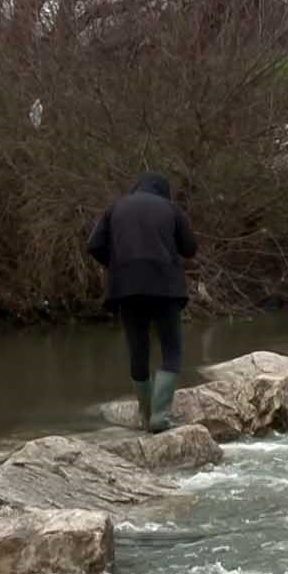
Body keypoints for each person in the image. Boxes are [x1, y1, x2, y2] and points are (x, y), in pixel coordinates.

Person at [87, 172, 198, 433]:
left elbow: (93, 244)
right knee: (171, 349)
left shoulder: (116, 208)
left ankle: (146, 417)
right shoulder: (171, 209)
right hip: (165, 286)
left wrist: (115, 264)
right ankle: (160, 416)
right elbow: (190, 248)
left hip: (126, 286)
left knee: (138, 350)